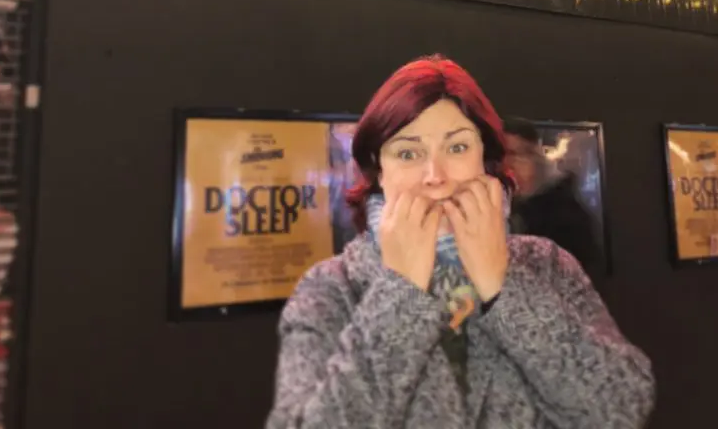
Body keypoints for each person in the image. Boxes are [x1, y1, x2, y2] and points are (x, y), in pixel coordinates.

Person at [266, 55, 655, 429]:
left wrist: (505, 286)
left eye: (457, 147)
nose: (435, 176)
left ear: (485, 160)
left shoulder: (547, 265)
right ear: (379, 170)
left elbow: (620, 408)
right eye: (407, 152)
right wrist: (400, 294)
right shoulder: (331, 288)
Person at [504, 117, 605, 286]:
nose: (508, 164)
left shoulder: (567, 217)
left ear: (535, 157)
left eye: (516, 154)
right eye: (501, 155)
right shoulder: (505, 211)